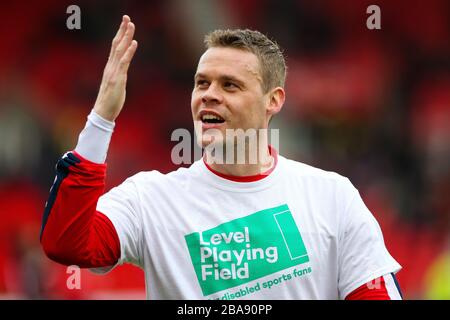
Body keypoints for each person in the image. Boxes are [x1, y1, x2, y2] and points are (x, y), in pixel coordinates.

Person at [40, 15, 403, 300]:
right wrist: (102, 116)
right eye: (202, 83)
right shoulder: (149, 200)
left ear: (273, 100)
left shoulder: (332, 197)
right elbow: (66, 244)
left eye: (230, 85)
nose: (209, 95)